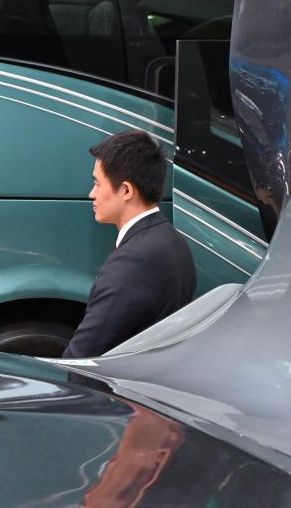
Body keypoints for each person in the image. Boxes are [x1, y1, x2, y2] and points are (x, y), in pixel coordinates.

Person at [62, 130, 196, 359]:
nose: (91, 194)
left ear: (126, 190)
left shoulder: (133, 260)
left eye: (97, 183)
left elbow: (82, 357)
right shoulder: (173, 241)